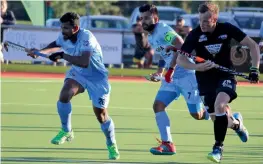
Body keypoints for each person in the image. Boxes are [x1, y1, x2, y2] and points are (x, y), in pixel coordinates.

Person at [168, 2, 260, 163]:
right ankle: (237, 124)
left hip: (225, 75)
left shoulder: (226, 29)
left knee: (220, 106)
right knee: (218, 118)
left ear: (215, 18)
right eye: (200, 20)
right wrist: (198, 67)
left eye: (206, 20)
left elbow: (252, 46)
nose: (202, 24)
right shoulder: (195, 35)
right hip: (204, 80)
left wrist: (254, 69)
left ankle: (218, 148)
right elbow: (182, 60)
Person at [27, 12, 120, 160]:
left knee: (101, 115)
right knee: (65, 94)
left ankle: (111, 143)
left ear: (75, 28)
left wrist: (62, 55)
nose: (62, 31)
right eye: (61, 27)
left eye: (65, 28)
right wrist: (39, 52)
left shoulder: (87, 37)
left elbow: (84, 62)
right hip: (78, 74)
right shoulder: (65, 36)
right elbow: (56, 44)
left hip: (97, 79)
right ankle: (66, 130)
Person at [139, 4, 211, 156]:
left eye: (146, 18)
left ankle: (229, 119)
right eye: (141, 18)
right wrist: (160, 72)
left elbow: (180, 45)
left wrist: (170, 70)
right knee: (158, 105)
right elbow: (164, 54)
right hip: (171, 78)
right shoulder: (151, 35)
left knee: (196, 115)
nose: (143, 21)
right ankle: (168, 144)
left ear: (155, 18)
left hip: (186, 75)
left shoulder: (163, 30)